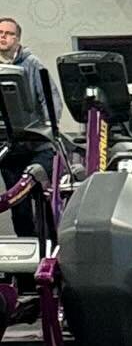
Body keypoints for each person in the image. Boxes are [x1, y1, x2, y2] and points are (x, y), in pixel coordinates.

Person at [0, 16, 55, 240]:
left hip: (37, 147)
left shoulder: (32, 64)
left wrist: (47, 129)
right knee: (19, 209)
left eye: (8, 33)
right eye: (0, 33)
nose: (3, 37)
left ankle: (51, 248)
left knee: (44, 203)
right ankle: (27, 251)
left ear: (17, 38)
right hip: (9, 149)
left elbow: (50, 102)